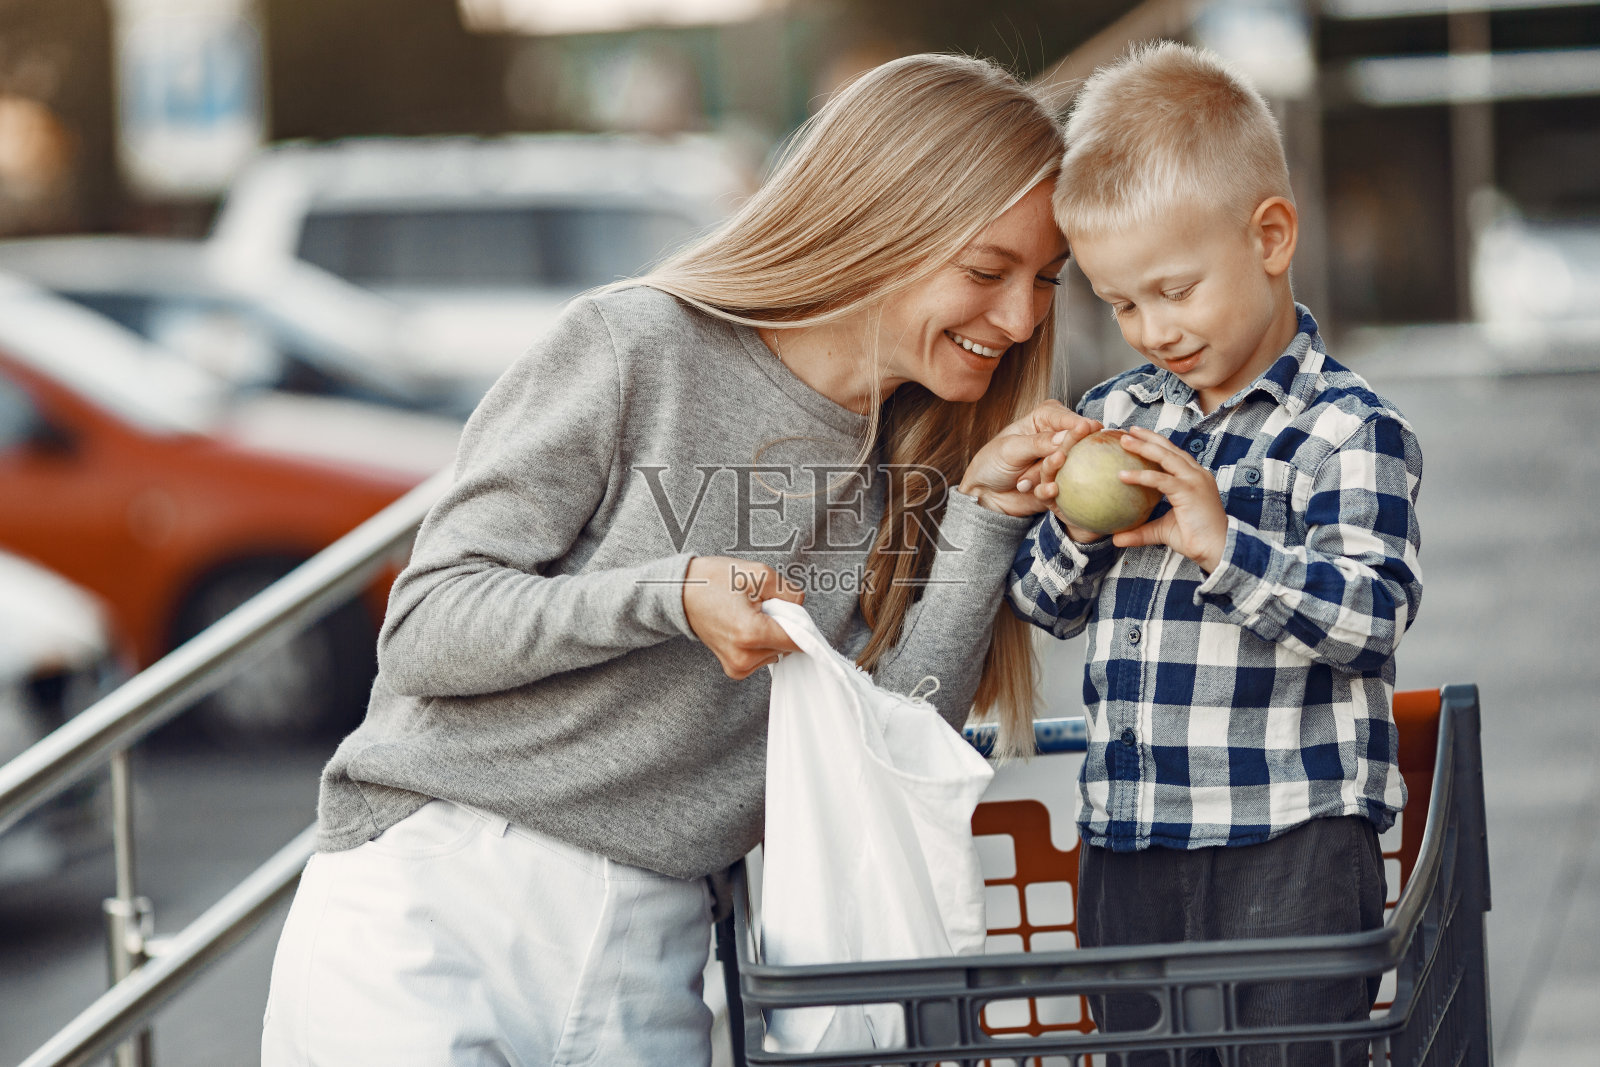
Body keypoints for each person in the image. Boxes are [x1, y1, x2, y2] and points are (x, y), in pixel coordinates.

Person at [261, 53, 1075, 1066]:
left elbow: (890, 744)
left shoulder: (926, 461)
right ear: (884, 218)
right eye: (987, 271)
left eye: (1045, 278)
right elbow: (427, 627)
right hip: (440, 898)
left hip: (654, 948)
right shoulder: (634, 345)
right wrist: (668, 592)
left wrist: (986, 517)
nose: (1021, 318)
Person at [1006, 42, 1424, 1066]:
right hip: (1130, 843)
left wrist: (1225, 546)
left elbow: (1371, 617)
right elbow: (1043, 603)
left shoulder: (1342, 430)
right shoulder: (1115, 418)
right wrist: (1074, 524)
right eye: (1120, 303)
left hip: (1291, 840)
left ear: (1269, 236)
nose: (1151, 328)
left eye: (1173, 289)